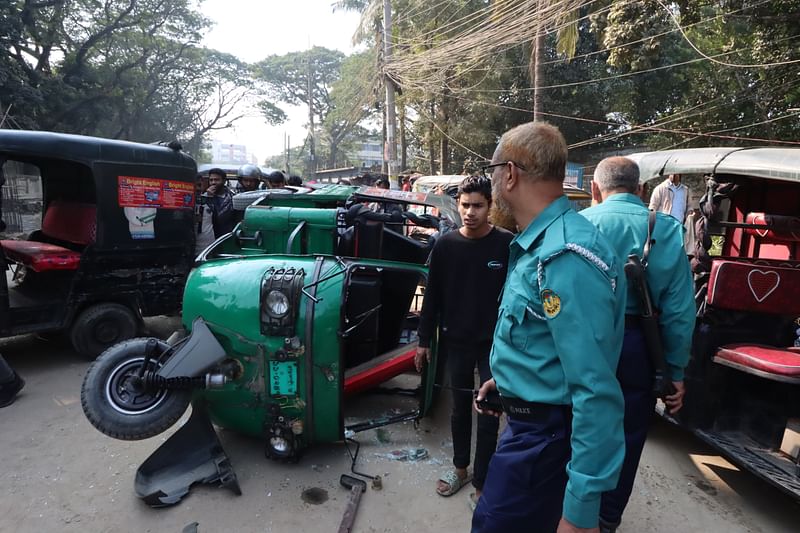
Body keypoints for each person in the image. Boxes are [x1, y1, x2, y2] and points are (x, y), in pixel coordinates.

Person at [472, 122, 626, 533]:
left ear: (509, 174)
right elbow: (546, 341)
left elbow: (595, 390)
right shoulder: (538, 244)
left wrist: (580, 511)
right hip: (531, 430)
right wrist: (508, 387)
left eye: (492, 173)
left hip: (546, 446)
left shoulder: (564, 255)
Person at [581, 157, 694, 533]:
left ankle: (570, 514)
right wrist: (675, 372)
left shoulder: (579, 225)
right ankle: (607, 520)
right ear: (642, 191)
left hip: (583, 343)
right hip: (640, 347)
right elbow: (679, 313)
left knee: (573, 426)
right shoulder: (667, 231)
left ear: (594, 190)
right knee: (627, 438)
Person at [415, 175, 513, 508]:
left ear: (491, 206)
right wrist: (423, 339)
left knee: (488, 411)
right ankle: (461, 468)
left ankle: (483, 482)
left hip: (492, 343)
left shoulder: (506, 245)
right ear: (458, 205)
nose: (470, 212)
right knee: (459, 411)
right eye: (465, 205)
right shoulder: (444, 245)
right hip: (456, 340)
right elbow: (433, 297)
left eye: (478, 206)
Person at [195, 168, 234, 254]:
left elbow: (221, 217)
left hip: (226, 237)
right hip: (208, 240)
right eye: (211, 180)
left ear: (224, 181)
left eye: (216, 180)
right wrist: (209, 199)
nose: (213, 183)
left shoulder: (232, 198)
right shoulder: (204, 198)